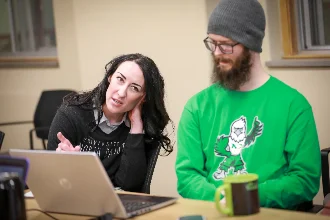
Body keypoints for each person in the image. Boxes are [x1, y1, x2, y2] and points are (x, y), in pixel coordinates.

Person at [175, 0, 321, 210]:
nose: (216, 52)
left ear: (250, 43)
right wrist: (221, 199)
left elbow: (305, 180)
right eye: (212, 43)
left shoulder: (293, 105)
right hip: (215, 212)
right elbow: (188, 176)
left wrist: (247, 197)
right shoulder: (197, 107)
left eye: (225, 44)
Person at [47, 53, 174, 192]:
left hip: (121, 206)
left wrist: (136, 127)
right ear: (110, 77)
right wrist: (70, 168)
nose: (121, 93)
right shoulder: (71, 114)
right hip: (75, 199)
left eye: (134, 88)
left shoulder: (145, 128)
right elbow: (53, 179)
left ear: (143, 97)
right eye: (120, 79)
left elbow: (130, 186)